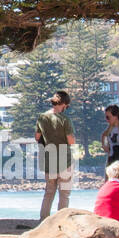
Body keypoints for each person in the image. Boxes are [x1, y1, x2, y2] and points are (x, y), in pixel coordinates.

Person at [35, 90, 77, 220]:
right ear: (64, 104)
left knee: (49, 192)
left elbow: (37, 137)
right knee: (64, 194)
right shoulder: (65, 119)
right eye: (67, 106)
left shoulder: (42, 118)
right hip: (65, 160)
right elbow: (71, 141)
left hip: (49, 160)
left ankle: (43, 220)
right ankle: (61, 221)